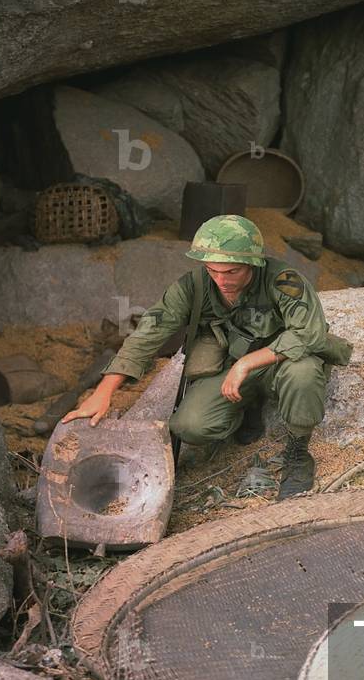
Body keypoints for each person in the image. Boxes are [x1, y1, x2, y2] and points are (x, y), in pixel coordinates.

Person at [61, 214, 341, 500]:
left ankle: (297, 455)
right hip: (231, 365)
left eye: (232, 271)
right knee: (189, 426)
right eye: (212, 270)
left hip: (280, 363)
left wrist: (247, 363)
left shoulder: (284, 281)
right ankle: (248, 405)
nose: (221, 280)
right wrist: (104, 392)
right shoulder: (193, 286)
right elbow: (148, 334)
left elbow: (309, 335)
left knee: (303, 373)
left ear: (253, 263)